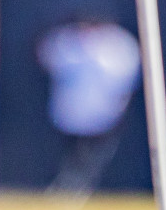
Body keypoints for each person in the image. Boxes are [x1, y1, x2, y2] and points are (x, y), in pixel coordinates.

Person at [36, 16, 141, 198]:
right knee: (72, 153)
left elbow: (125, 79)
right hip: (70, 114)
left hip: (104, 114)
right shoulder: (67, 41)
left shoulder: (117, 45)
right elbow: (46, 57)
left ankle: (78, 187)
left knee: (93, 155)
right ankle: (69, 187)